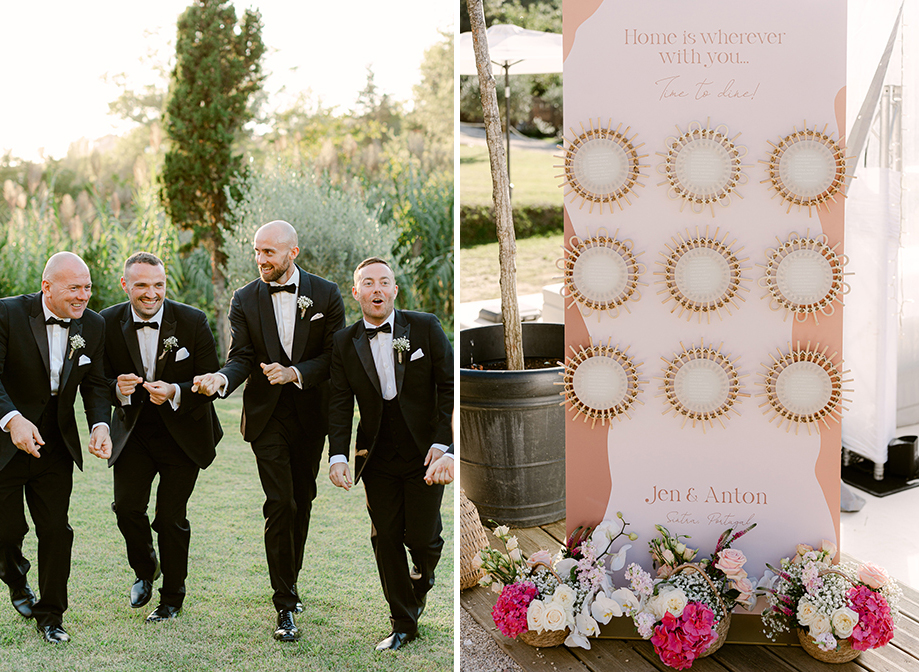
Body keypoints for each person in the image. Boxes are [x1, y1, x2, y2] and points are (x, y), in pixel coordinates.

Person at [192, 220, 345, 641]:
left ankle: (290, 581)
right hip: (266, 418)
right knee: (279, 502)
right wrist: (222, 380)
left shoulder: (327, 294)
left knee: (302, 500)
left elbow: (335, 356)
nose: (261, 260)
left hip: (311, 414)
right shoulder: (244, 298)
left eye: (269, 253)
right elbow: (240, 355)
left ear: (292, 252)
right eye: (257, 252)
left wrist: (294, 371)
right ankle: (284, 605)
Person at [328, 257, 453, 651]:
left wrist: (444, 445)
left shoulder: (426, 327)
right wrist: (337, 455)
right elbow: (338, 402)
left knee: (421, 536)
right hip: (377, 453)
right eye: (368, 283)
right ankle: (402, 621)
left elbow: (450, 386)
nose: (376, 289)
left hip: (425, 451)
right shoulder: (343, 342)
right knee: (384, 537)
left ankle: (423, 578)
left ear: (395, 290)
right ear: (357, 292)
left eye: (384, 282)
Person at [100, 252, 222, 623]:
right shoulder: (106, 322)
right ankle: (145, 568)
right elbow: (96, 382)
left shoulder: (192, 320)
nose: (151, 293)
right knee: (126, 509)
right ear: (125, 285)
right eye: (141, 285)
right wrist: (116, 389)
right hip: (134, 430)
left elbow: (210, 379)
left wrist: (175, 391)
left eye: (158, 285)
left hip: (183, 431)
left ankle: (172, 597)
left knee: (170, 517)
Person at [0, 252, 112, 643]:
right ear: (47, 287)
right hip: (6, 440)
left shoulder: (93, 326)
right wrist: (13, 419)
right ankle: (15, 578)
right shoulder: (7, 314)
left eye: (88, 287)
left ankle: (52, 615)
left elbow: (96, 383)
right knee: (6, 530)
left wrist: (100, 424)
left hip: (57, 443)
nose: (84, 296)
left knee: (56, 529)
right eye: (74, 288)